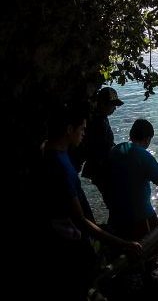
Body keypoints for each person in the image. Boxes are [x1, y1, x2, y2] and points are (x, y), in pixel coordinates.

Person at [38, 104, 141, 300]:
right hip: (71, 245)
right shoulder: (61, 167)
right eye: (82, 129)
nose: (84, 134)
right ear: (69, 130)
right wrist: (124, 244)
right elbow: (80, 220)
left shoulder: (47, 150)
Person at [72, 86, 124, 205]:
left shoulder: (101, 117)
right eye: (112, 105)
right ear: (102, 104)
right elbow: (98, 148)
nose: (115, 108)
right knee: (113, 198)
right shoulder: (97, 122)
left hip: (97, 165)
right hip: (100, 167)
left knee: (112, 198)